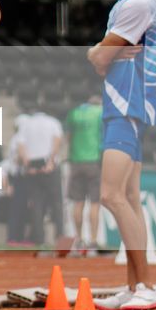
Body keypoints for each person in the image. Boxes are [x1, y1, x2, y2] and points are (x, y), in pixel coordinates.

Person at [89, 0, 156, 310]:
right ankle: (135, 285)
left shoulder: (138, 2)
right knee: (129, 197)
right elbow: (109, 55)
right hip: (124, 103)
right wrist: (106, 53)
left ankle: (147, 284)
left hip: (127, 105)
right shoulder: (130, 2)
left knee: (111, 195)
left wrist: (99, 53)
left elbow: (101, 58)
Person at [7, 107, 65, 246]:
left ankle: (39, 239)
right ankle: (60, 237)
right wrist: (51, 162)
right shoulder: (53, 122)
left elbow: (21, 145)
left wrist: (28, 165)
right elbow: (56, 141)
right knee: (56, 204)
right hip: (49, 166)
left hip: (33, 167)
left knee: (36, 205)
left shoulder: (26, 124)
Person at [65, 89, 104, 255]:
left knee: (78, 202)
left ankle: (78, 239)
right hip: (93, 161)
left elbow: (68, 136)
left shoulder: (75, 112)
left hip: (76, 161)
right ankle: (93, 242)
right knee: (94, 203)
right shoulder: (101, 113)